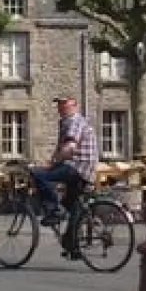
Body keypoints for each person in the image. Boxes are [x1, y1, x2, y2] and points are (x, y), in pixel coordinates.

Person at [29, 97, 99, 259]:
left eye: (65, 104)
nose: (61, 107)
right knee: (72, 204)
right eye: (59, 104)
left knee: (38, 175)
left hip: (76, 167)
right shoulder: (69, 122)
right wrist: (52, 162)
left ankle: (54, 210)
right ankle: (73, 246)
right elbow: (61, 149)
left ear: (74, 106)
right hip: (85, 169)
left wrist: (51, 165)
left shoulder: (73, 121)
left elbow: (70, 147)